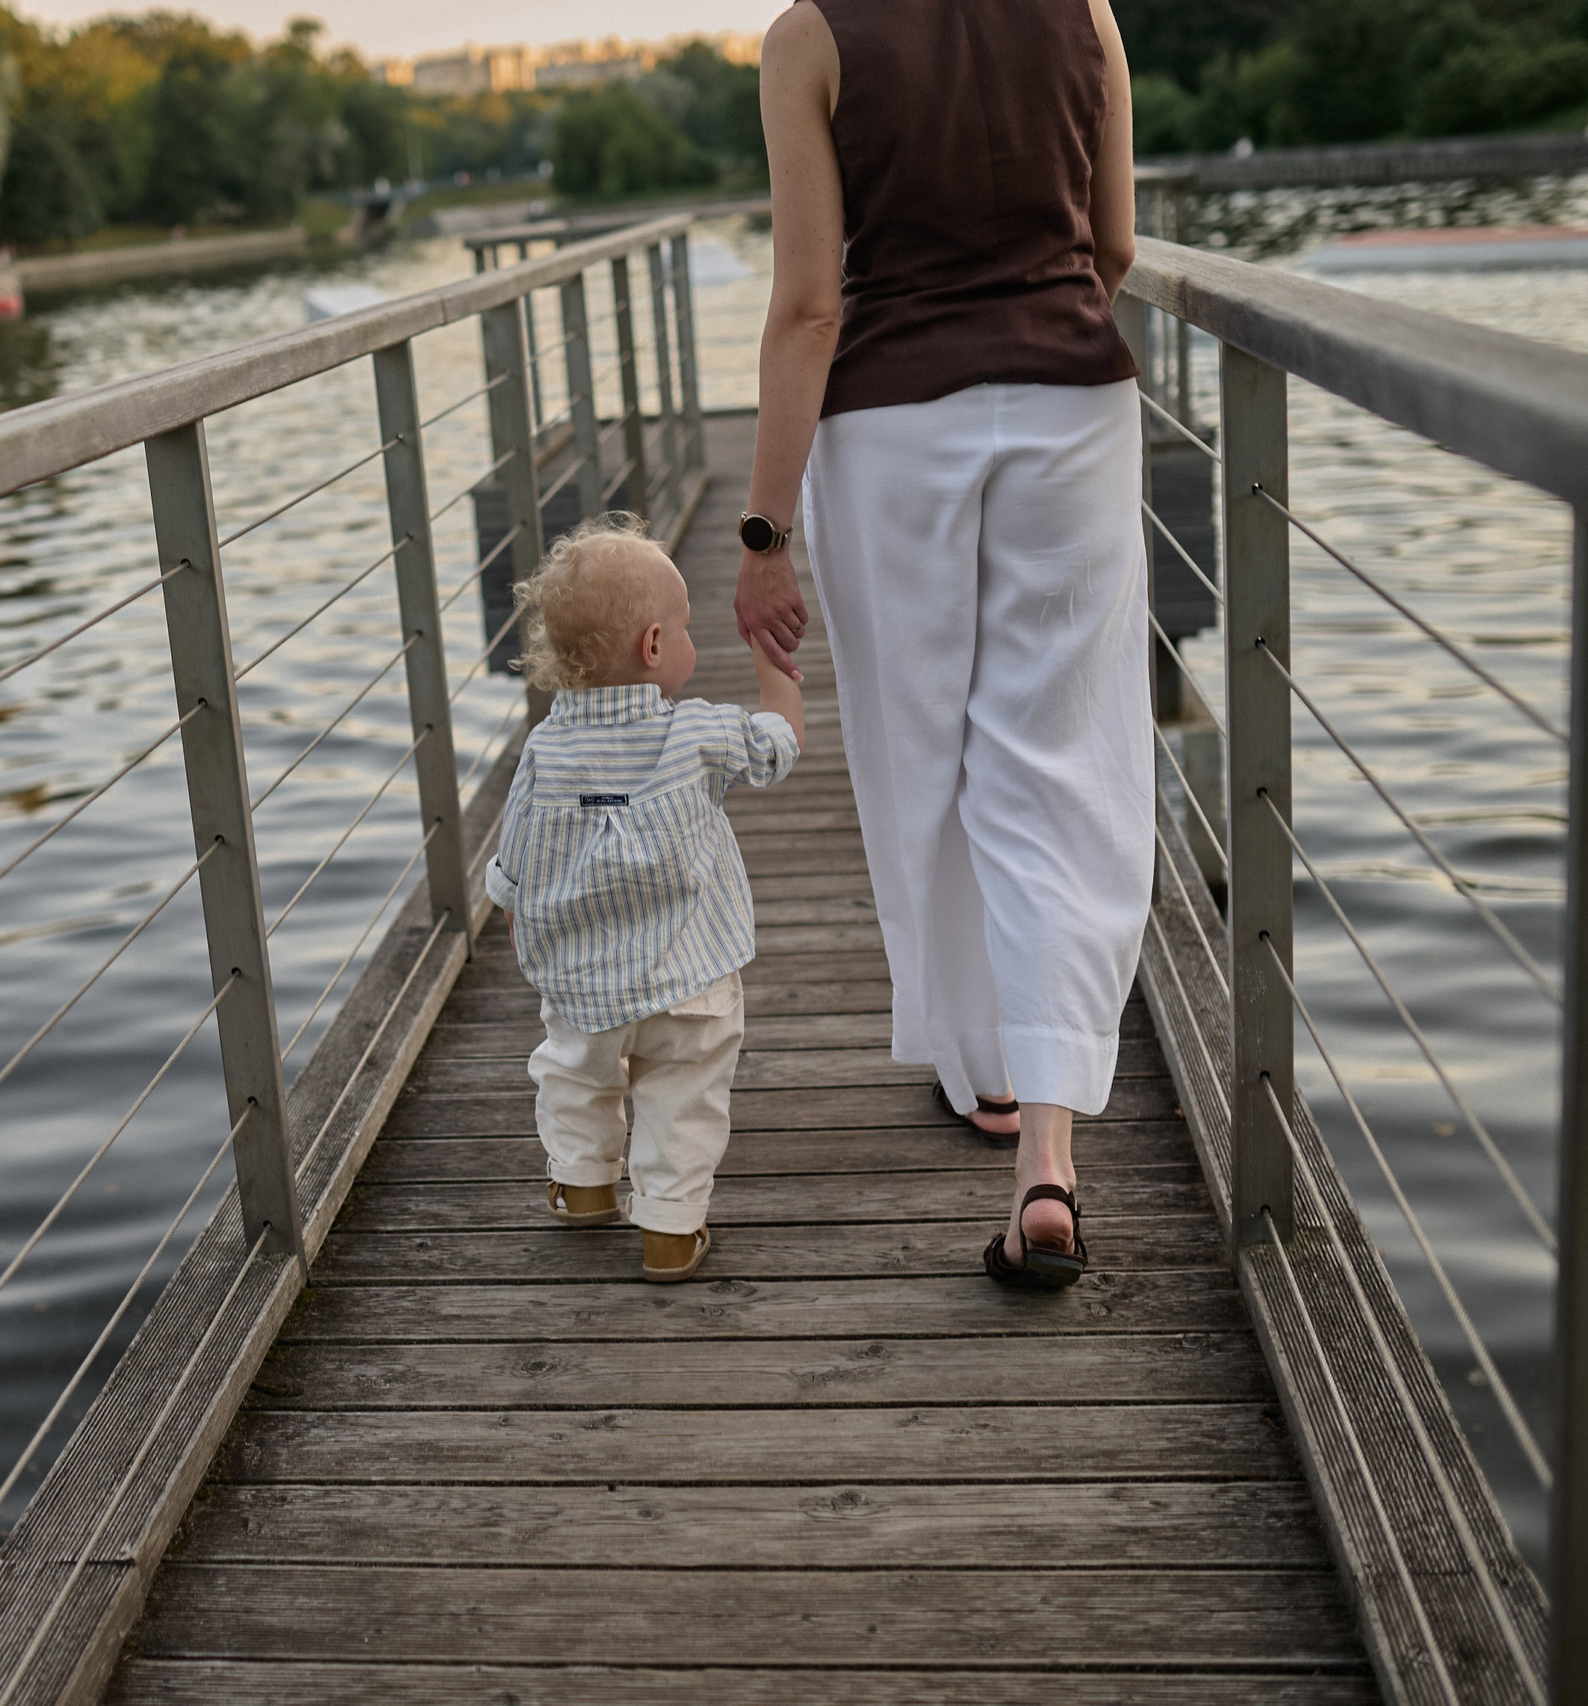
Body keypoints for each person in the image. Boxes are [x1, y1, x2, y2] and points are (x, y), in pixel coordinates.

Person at [735, 0, 1151, 1289]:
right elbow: (1116, 242)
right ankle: (1044, 1150)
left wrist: (763, 530)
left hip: (893, 424)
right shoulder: (1085, 13)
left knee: (927, 759)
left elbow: (809, 307)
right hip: (1073, 404)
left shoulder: (811, 38)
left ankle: (980, 1065)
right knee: (1059, 758)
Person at [485, 517, 805, 1282]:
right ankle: (668, 1227)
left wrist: (514, 916)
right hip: (689, 977)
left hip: (583, 980)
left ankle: (585, 1183)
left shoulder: (544, 751)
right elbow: (778, 745)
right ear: (655, 647)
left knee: (574, 1074)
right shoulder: (698, 736)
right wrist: (775, 671)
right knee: (684, 1095)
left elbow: (516, 857)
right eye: (688, 630)